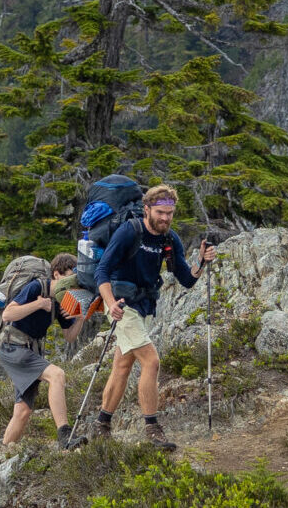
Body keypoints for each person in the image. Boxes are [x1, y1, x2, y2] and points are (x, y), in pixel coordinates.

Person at [94, 184, 215, 451]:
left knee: (122, 367)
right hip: (122, 306)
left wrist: (202, 262)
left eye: (169, 214)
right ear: (146, 209)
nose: (165, 218)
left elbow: (186, 279)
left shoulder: (170, 239)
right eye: (160, 212)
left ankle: (101, 425)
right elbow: (102, 271)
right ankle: (152, 428)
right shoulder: (129, 231)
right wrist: (110, 303)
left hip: (146, 307)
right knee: (152, 362)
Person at [0, 253, 85, 450]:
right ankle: (64, 435)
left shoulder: (62, 299)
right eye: (69, 278)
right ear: (56, 274)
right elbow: (7, 313)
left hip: (30, 351)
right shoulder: (37, 286)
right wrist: (38, 303)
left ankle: (3, 453)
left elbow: (69, 336)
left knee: (23, 411)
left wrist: (80, 317)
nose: (73, 284)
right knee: (57, 375)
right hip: (13, 347)